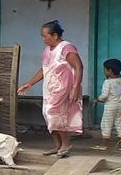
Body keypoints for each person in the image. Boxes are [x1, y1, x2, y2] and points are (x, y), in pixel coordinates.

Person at [17, 20, 84, 157]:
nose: (43, 39)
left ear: (55, 36)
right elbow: (44, 69)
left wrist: (76, 87)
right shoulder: (47, 50)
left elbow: (79, 67)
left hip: (64, 88)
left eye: (45, 35)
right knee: (48, 116)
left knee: (55, 115)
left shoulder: (67, 48)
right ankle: (58, 146)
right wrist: (30, 83)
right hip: (49, 89)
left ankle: (66, 144)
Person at [93, 58, 121, 151]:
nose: (104, 71)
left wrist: (97, 100)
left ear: (110, 70)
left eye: (105, 69)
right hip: (120, 105)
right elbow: (120, 77)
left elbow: (104, 96)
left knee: (106, 124)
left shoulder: (107, 82)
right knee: (120, 125)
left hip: (110, 106)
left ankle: (104, 145)